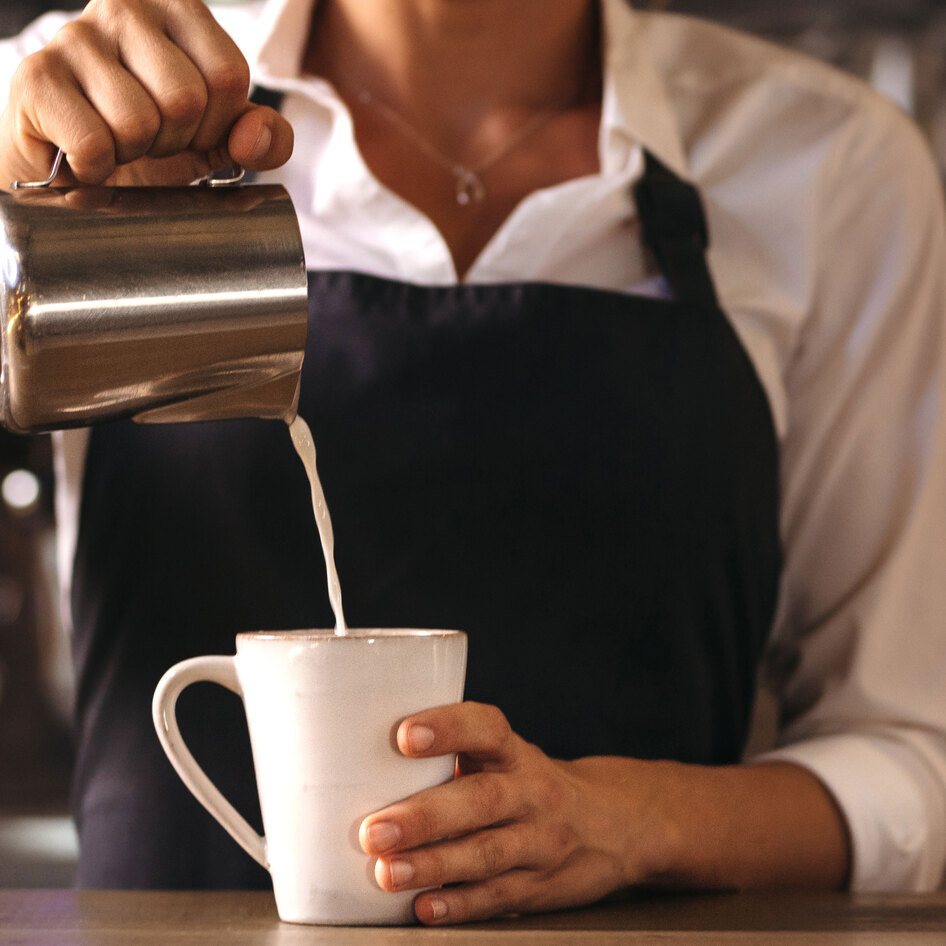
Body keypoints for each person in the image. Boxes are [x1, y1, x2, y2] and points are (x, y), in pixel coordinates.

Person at [1, 0, 945, 925]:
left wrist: (634, 820)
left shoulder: (829, 164)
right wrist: (21, 220)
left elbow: (912, 756)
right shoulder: (65, 106)